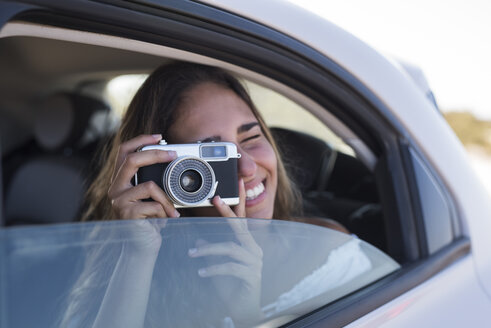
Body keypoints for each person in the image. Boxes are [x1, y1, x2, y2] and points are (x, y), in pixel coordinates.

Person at [61, 62, 366, 328]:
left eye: (251, 136)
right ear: (163, 175)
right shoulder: (118, 270)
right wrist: (136, 257)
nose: (246, 167)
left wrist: (249, 319)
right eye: (212, 156)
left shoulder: (327, 250)